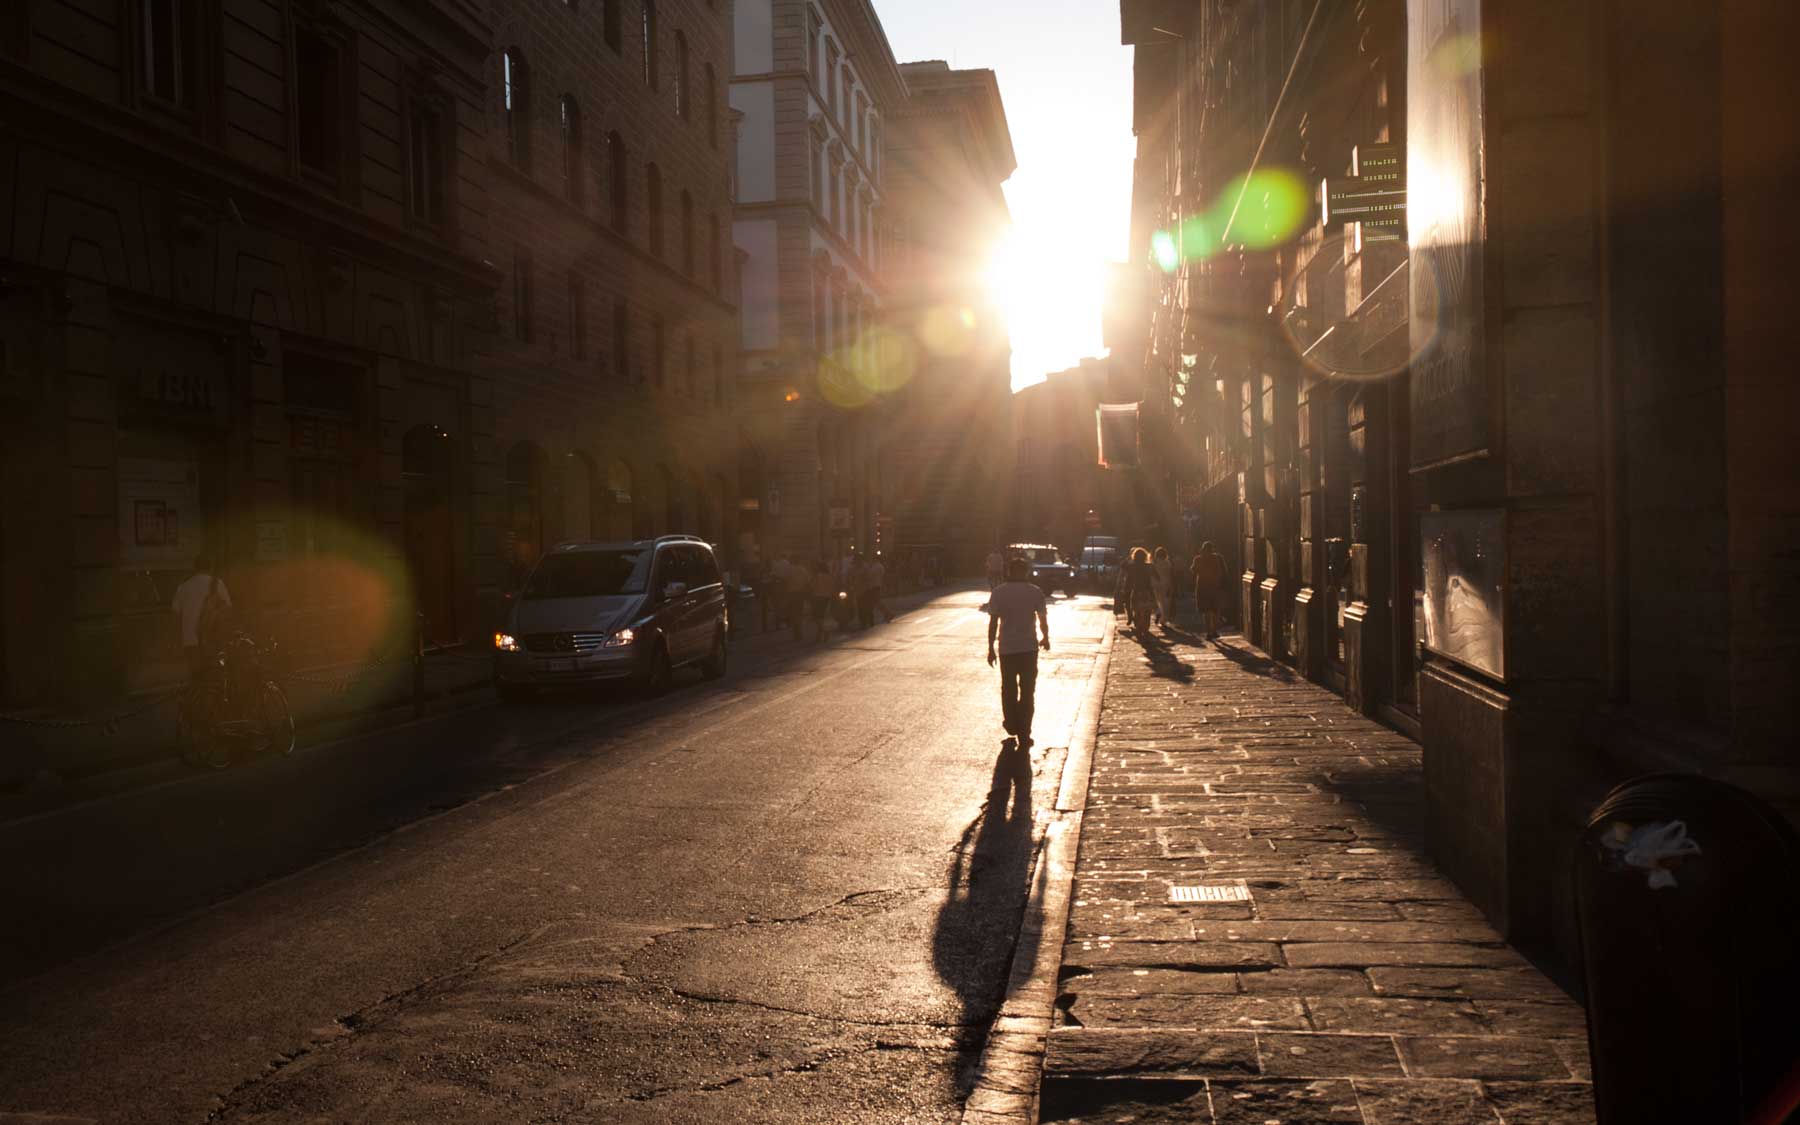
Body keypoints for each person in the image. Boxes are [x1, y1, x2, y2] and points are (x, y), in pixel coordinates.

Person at [986, 556, 1050, 749]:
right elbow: (1042, 618)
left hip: (1007, 648)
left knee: (1008, 688)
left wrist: (990, 647)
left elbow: (993, 622)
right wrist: (1046, 637)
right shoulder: (1035, 592)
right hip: (1029, 648)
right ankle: (1025, 731)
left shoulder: (999, 592)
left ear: (1009, 571)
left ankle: (1012, 722)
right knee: (1028, 691)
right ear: (1026, 572)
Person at [172, 554, 231, 681]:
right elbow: (227, 610)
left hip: (190, 641)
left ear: (195, 568)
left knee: (196, 678)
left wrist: (178, 641)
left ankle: (195, 699)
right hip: (212, 640)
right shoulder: (217, 584)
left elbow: (176, 616)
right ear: (210, 567)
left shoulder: (183, 587)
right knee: (212, 678)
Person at [1191, 540, 1227, 640]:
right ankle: (1214, 630)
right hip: (1215, 587)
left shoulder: (1198, 559)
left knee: (1206, 611)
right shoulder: (1218, 558)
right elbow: (1224, 572)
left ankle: (1209, 632)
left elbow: (1193, 570)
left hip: (1202, 587)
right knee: (1215, 609)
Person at [1115, 547, 1156, 635]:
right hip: (1147, 591)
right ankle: (1145, 627)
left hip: (1136, 591)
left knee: (1137, 610)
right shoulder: (1149, 567)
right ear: (1145, 556)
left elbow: (1123, 566)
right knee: (1147, 611)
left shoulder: (1131, 567)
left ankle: (1139, 626)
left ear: (1134, 556)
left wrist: (1125, 590)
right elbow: (1157, 577)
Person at [785, 556, 813, 641]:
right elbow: (808, 581)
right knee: (799, 612)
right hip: (800, 593)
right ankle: (799, 632)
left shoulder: (789, 570)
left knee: (793, 612)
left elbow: (786, 580)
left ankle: (796, 632)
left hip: (792, 593)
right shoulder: (802, 570)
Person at [808, 558, 836, 642]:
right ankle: (820, 634)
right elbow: (832, 587)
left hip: (817, 597)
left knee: (816, 617)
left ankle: (824, 630)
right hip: (826, 598)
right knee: (822, 616)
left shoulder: (817, 576)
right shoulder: (830, 576)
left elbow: (812, 586)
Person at [861, 553, 892, 626]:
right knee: (876, 602)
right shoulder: (874, 566)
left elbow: (870, 575)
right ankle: (887, 613)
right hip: (873, 586)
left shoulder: (877, 566)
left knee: (876, 602)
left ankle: (888, 613)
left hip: (875, 586)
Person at [1151, 545, 1174, 626]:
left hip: (1156, 583)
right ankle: (1162, 618)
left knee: (1158, 601)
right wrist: (1171, 586)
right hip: (1165, 583)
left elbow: (1152, 574)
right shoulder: (1167, 563)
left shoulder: (1154, 563)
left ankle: (1158, 613)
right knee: (1166, 602)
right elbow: (1170, 575)